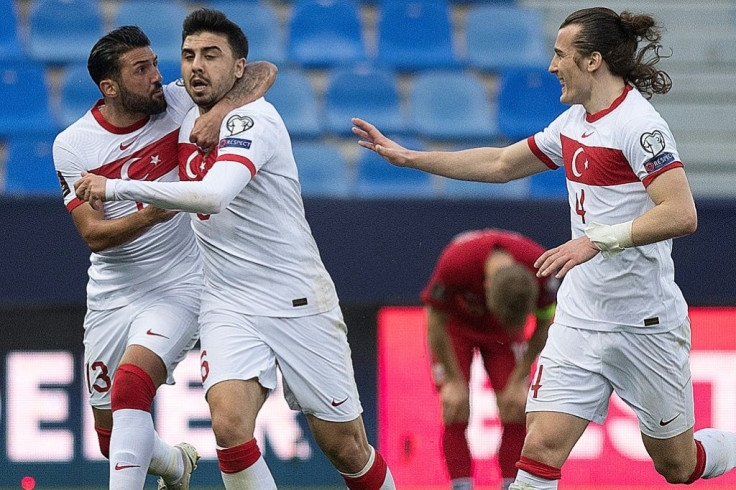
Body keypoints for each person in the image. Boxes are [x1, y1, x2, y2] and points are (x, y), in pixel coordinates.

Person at [351, 7, 736, 489]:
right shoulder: (574, 121)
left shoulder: (640, 127)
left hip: (644, 322)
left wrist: (596, 240)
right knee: (538, 451)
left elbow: (681, 213)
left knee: (678, 466)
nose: (552, 66)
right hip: (580, 318)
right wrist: (409, 158)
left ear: (593, 60)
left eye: (560, 55)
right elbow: (498, 163)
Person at [74, 9, 395, 490]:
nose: (196, 66)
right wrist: (214, 109)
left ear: (238, 67)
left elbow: (212, 194)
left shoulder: (255, 118)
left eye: (211, 55)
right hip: (226, 303)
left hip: (296, 299)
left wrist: (116, 188)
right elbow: (254, 73)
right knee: (227, 427)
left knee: (346, 448)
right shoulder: (179, 109)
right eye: (188, 56)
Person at [52, 25, 275, 490]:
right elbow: (93, 235)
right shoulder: (73, 145)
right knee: (111, 442)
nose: (158, 75)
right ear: (109, 88)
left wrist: (224, 110)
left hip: (183, 282)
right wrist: (156, 213)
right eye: (141, 69)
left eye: (155, 62)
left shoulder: (178, 100)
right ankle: (175, 465)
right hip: (113, 294)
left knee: (133, 385)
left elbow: (260, 71)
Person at [423, 229, 557, 490]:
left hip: (504, 338)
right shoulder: (456, 261)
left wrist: (520, 377)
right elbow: (435, 322)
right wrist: (452, 379)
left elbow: (544, 323)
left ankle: (510, 484)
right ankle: (461, 485)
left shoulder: (540, 266)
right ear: (484, 288)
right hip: (455, 329)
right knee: (456, 404)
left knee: (517, 405)